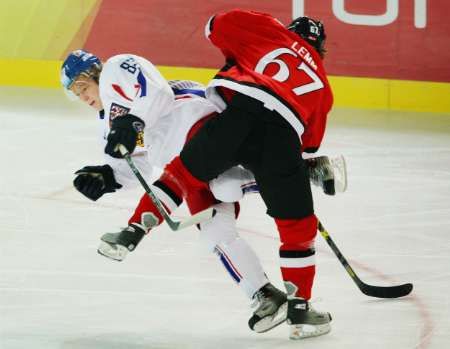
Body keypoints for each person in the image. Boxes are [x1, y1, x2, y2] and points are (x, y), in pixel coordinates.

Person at [103, 10, 335, 340]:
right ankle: (300, 309)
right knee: (296, 226)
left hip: (234, 115)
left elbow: (215, 25)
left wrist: (242, 51)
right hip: (282, 136)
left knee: (182, 175)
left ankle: (134, 229)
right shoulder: (323, 86)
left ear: (291, 32)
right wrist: (296, 170)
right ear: (319, 49)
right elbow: (309, 145)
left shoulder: (272, 33)